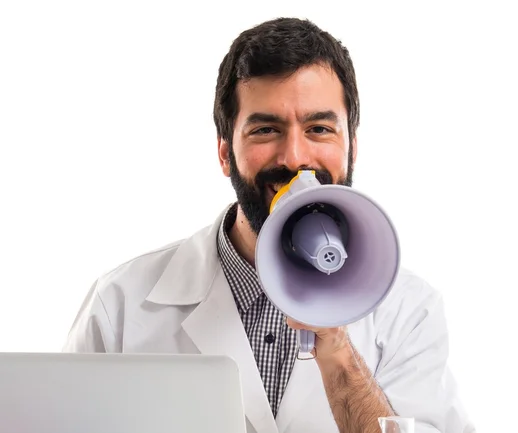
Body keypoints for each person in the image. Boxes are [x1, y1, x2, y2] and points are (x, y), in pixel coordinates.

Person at [63, 17, 476, 433]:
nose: (295, 158)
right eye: (266, 130)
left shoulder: (409, 311)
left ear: (352, 146)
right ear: (225, 153)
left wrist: (336, 349)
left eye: (319, 129)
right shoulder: (121, 304)